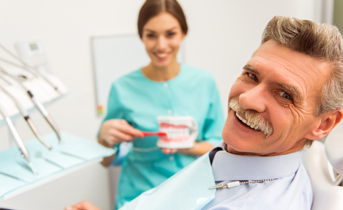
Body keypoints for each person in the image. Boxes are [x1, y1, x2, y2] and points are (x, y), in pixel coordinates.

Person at [66, 15, 343, 210]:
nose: (247, 98)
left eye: (285, 95)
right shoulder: (232, 159)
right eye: (251, 75)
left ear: (324, 123)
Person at [92, 0, 224, 209]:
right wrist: (103, 139)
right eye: (151, 35)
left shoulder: (204, 82)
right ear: (141, 36)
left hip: (192, 196)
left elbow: (220, 146)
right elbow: (106, 161)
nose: (161, 45)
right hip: (138, 198)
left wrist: (189, 147)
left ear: (183, 33)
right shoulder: (122, 88)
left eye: (170, 34)